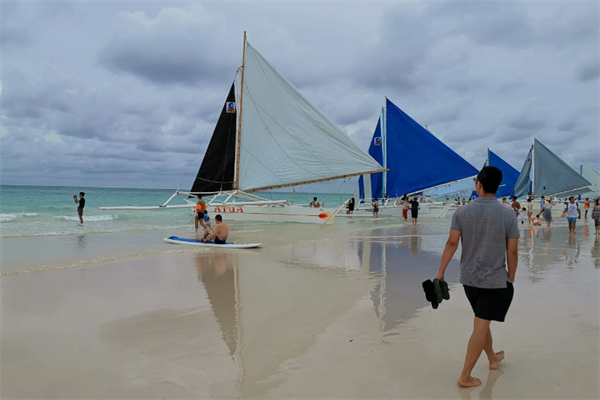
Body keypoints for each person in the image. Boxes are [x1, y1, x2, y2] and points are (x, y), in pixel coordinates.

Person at [435, 166, 519, 388]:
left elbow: (452, 243)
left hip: (469, 280)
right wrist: (512, 276)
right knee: (481, 325)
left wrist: (441, 271)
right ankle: (465, 375)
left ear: (478, 185)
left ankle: (492, 358)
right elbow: (513, 251)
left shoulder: (462, 212)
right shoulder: (508, 214)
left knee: (482, 321)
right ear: (497, 186)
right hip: (495, 280)